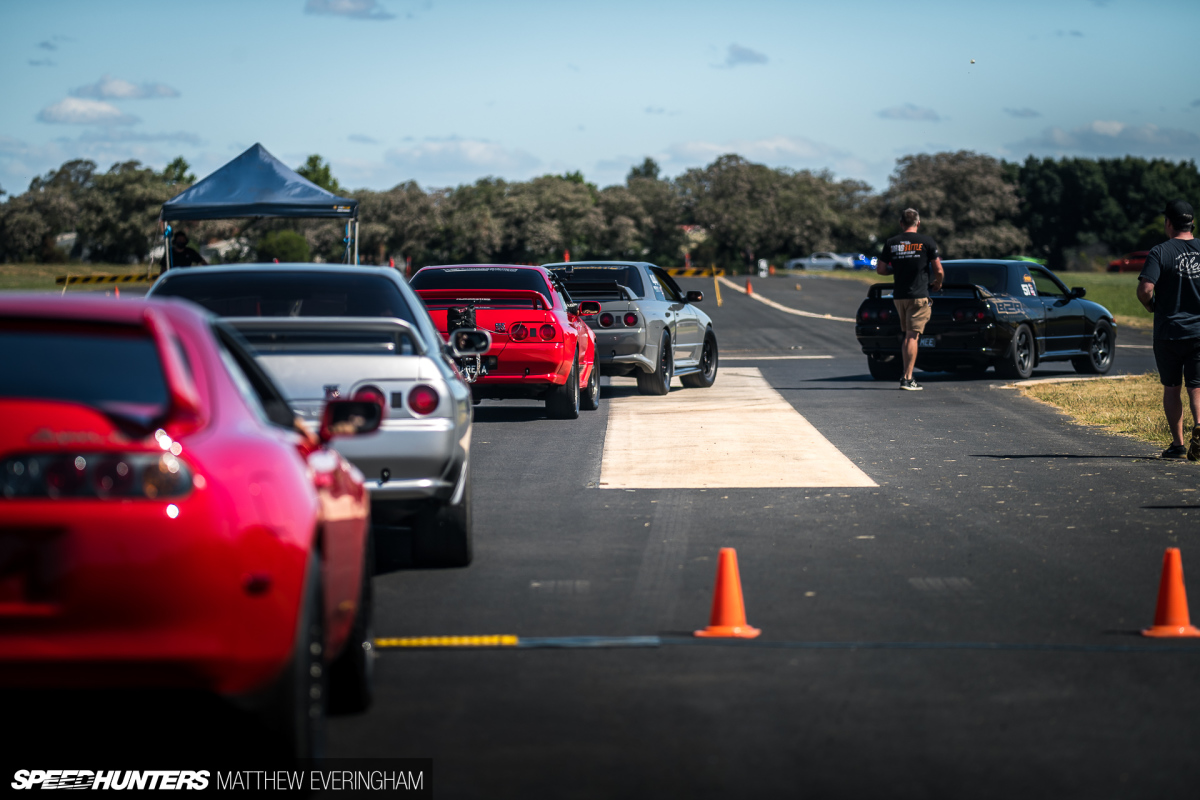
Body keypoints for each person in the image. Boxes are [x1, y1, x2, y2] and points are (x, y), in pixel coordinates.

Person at [1137, 199, 1200, 460]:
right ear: (1192, 222)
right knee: (1197, 386)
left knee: (1172, 387)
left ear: (1169, 222)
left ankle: (1178, 445)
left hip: (1169, 333)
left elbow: (1145, 289)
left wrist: (1152, 306)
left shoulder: (1160, 252)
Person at [877, 208, 944, 391]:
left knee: (908, 336)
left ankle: (907, 375)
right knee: (912, 337)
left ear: (901, 223)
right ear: (918, 223)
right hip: (918, 296)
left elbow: (881, 270)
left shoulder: (892, 243)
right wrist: (938, 283)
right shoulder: (926, 242)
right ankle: (907, 378)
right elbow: (938, 270)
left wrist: (896, 270)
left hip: (899, 296)